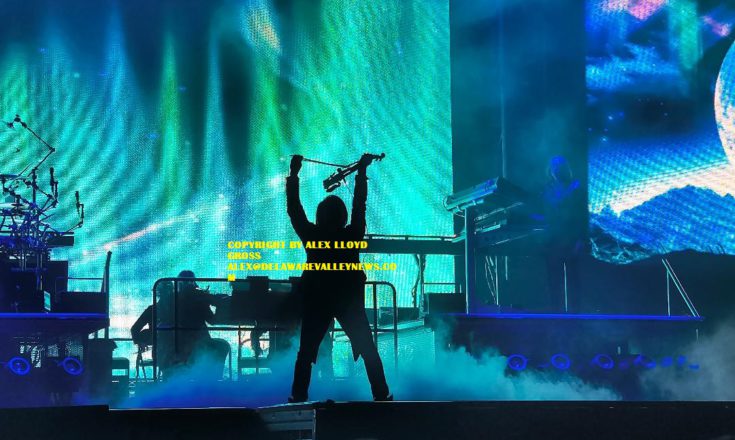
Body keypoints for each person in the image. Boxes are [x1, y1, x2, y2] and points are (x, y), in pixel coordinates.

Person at [286, 154, 391, 402]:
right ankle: (381, 395)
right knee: (368, 349)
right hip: (347, 300)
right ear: (342, 216)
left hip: (318, 299)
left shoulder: (312, 235)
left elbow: (294, 210)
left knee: (306, 353)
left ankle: (298, 398)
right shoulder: (352, 234)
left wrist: (294, 175)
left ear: (320, 215)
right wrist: (361, 173)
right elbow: (359, 205)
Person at [131, 270, 230, 379]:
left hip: (176, 350)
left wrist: (143, 340)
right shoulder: (192, 301)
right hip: (185, 349)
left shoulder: (166, 307)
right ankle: (213, 379)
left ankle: (208, 378)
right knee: (220, 347)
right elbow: (212, 320)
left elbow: (135, 329)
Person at [540, 156, 585, 313]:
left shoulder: (576, 189)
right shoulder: (548, 189)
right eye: (554, 166)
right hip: (553, 240)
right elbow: (554, 207)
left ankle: (575, 314)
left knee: (574, 280)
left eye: (560, 166)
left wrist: (580, 239)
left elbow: (581, 216)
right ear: (550, 170)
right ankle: (555, 314)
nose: (557, 170)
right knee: (554, 280)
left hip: (571, 239)